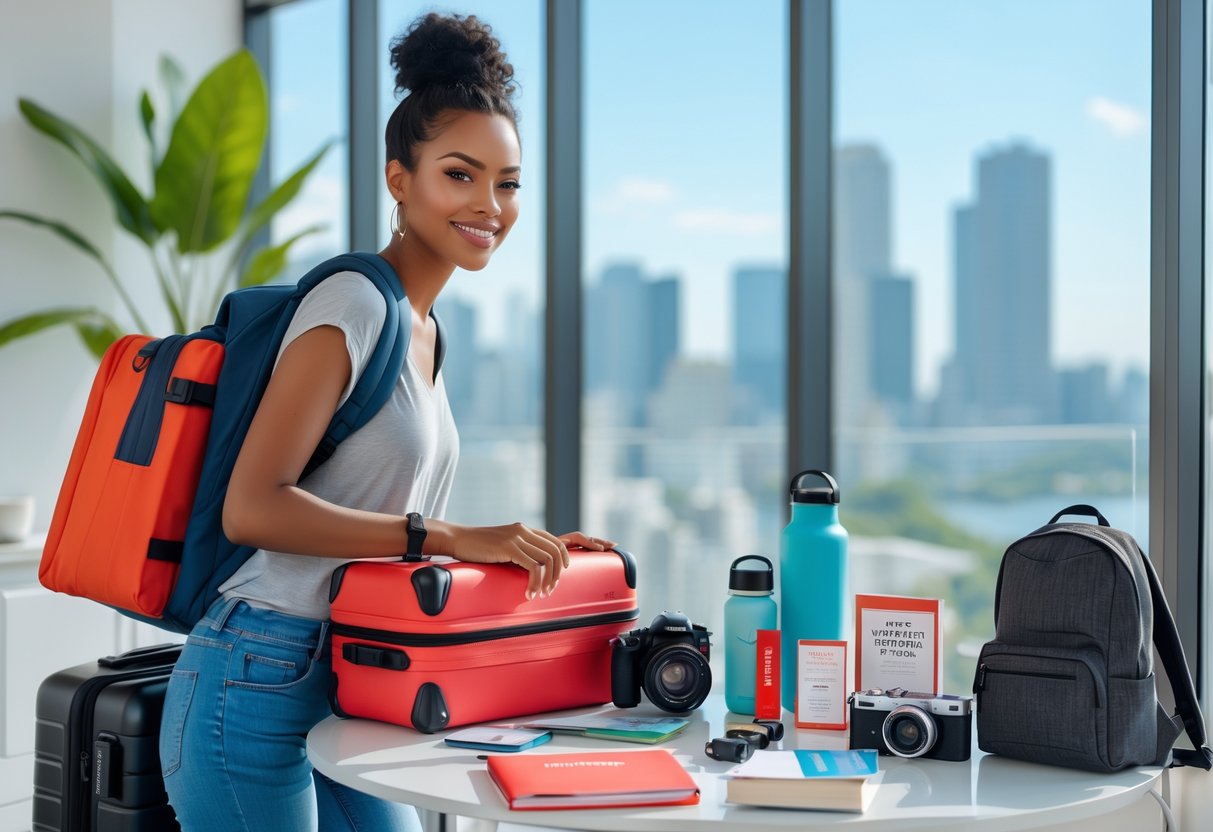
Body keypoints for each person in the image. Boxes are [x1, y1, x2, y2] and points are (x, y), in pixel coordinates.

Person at [159, 13, 614, 831]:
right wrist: (447, 536)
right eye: (459, 174)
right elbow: (253, 508)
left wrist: (519, 552)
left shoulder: (427, 331)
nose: (489, 205)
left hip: (362, 669)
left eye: (507, 182)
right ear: (399, 180)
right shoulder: (353, 304)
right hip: (255, 669)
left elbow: (378, 509)